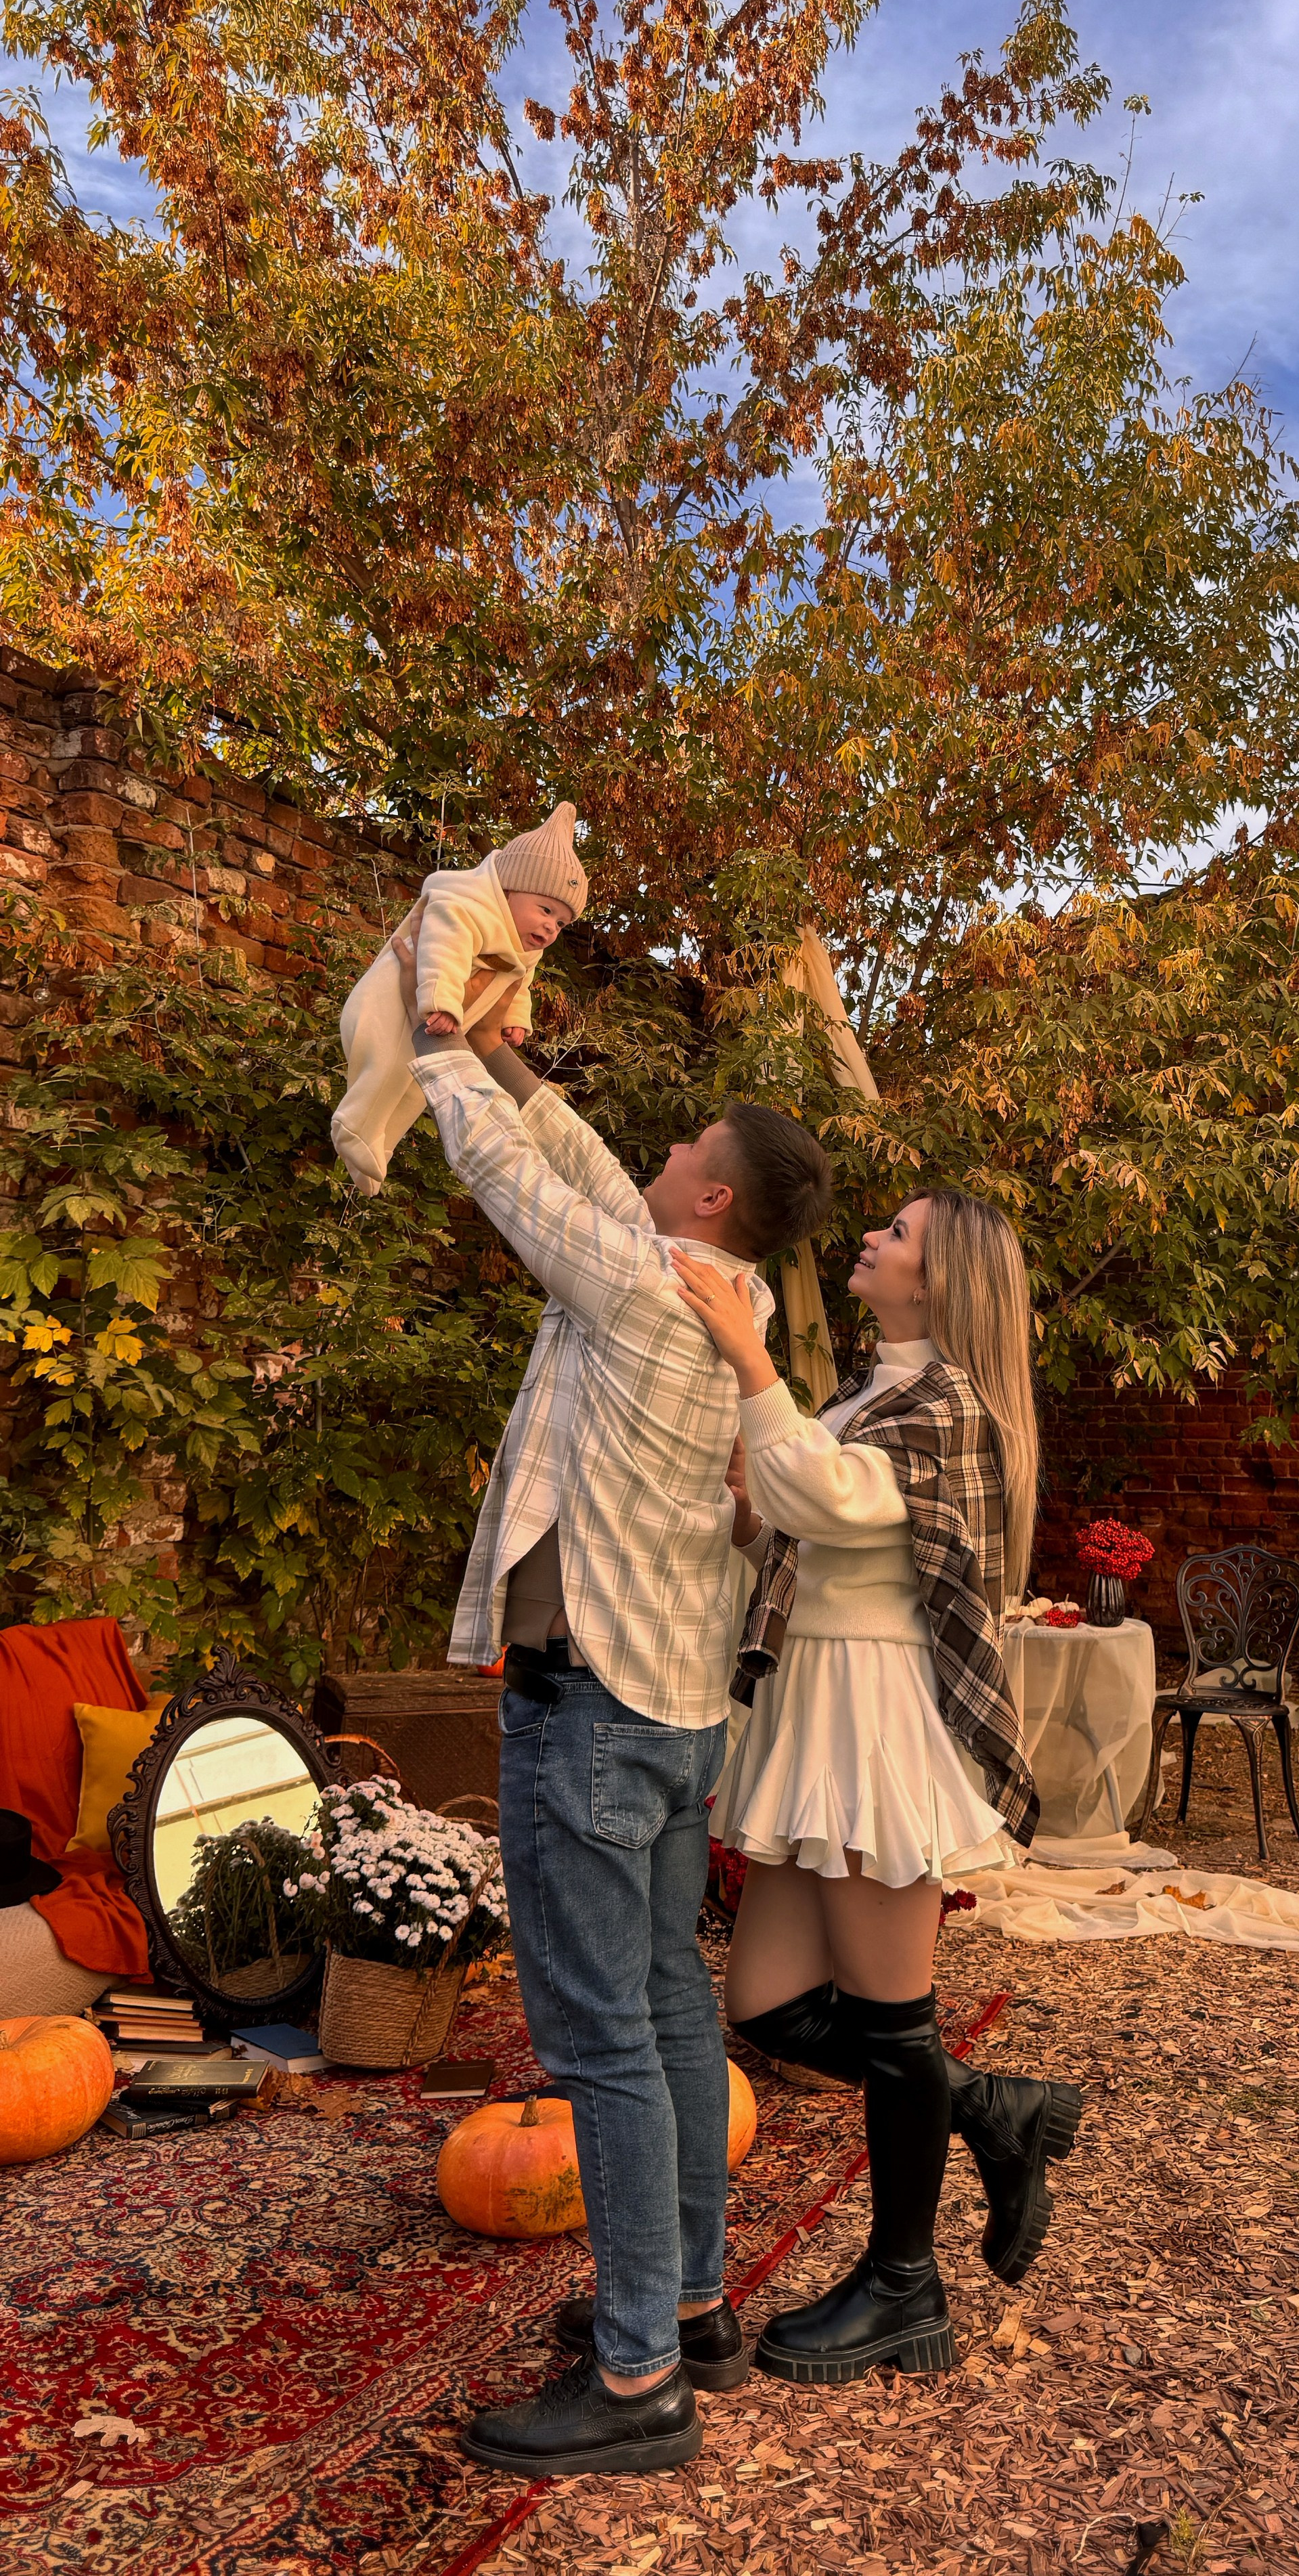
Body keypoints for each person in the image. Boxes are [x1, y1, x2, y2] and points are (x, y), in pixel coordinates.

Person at [392, 923, 833, 2477]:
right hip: (669, 1714)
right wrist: (509, 1052)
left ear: (710, 1194)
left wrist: (440, 1033)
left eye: (683, 1146)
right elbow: (576, 1161)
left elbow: (512, 1178)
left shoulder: (641, 1287)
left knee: (603, 2049)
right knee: (662, 2008)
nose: (656, 1150)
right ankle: (692, 2307)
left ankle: (638, 2375)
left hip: (590, 1716)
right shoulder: (721, 1295)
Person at [673, 1191, 1083, 2386]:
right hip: (817, 1702)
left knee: (893, 2020)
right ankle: (991, 2108)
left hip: (876, 1714)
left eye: (897, 1235)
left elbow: (827, 1498)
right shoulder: (867, 1396)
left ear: (939, 1280)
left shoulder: (948, 1404)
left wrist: (749, 1359)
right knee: (765, 2003)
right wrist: (744, 1507)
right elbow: (798, 1520)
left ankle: (907, 2285)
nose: (871, 1239)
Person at [332, 802, 586, 1194]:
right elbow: (443, 950)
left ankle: (378, 1145)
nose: (551, 926)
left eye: (561, 923)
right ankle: (353, 1125)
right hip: (393, 1004)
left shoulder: (524, 945)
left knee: (417, 1088)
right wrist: (443, 1004)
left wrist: (514, 1019)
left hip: (438, 1020)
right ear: (507, 889)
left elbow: (520, 981)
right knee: (387, 1067)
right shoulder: (465, 907)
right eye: (546, 909)